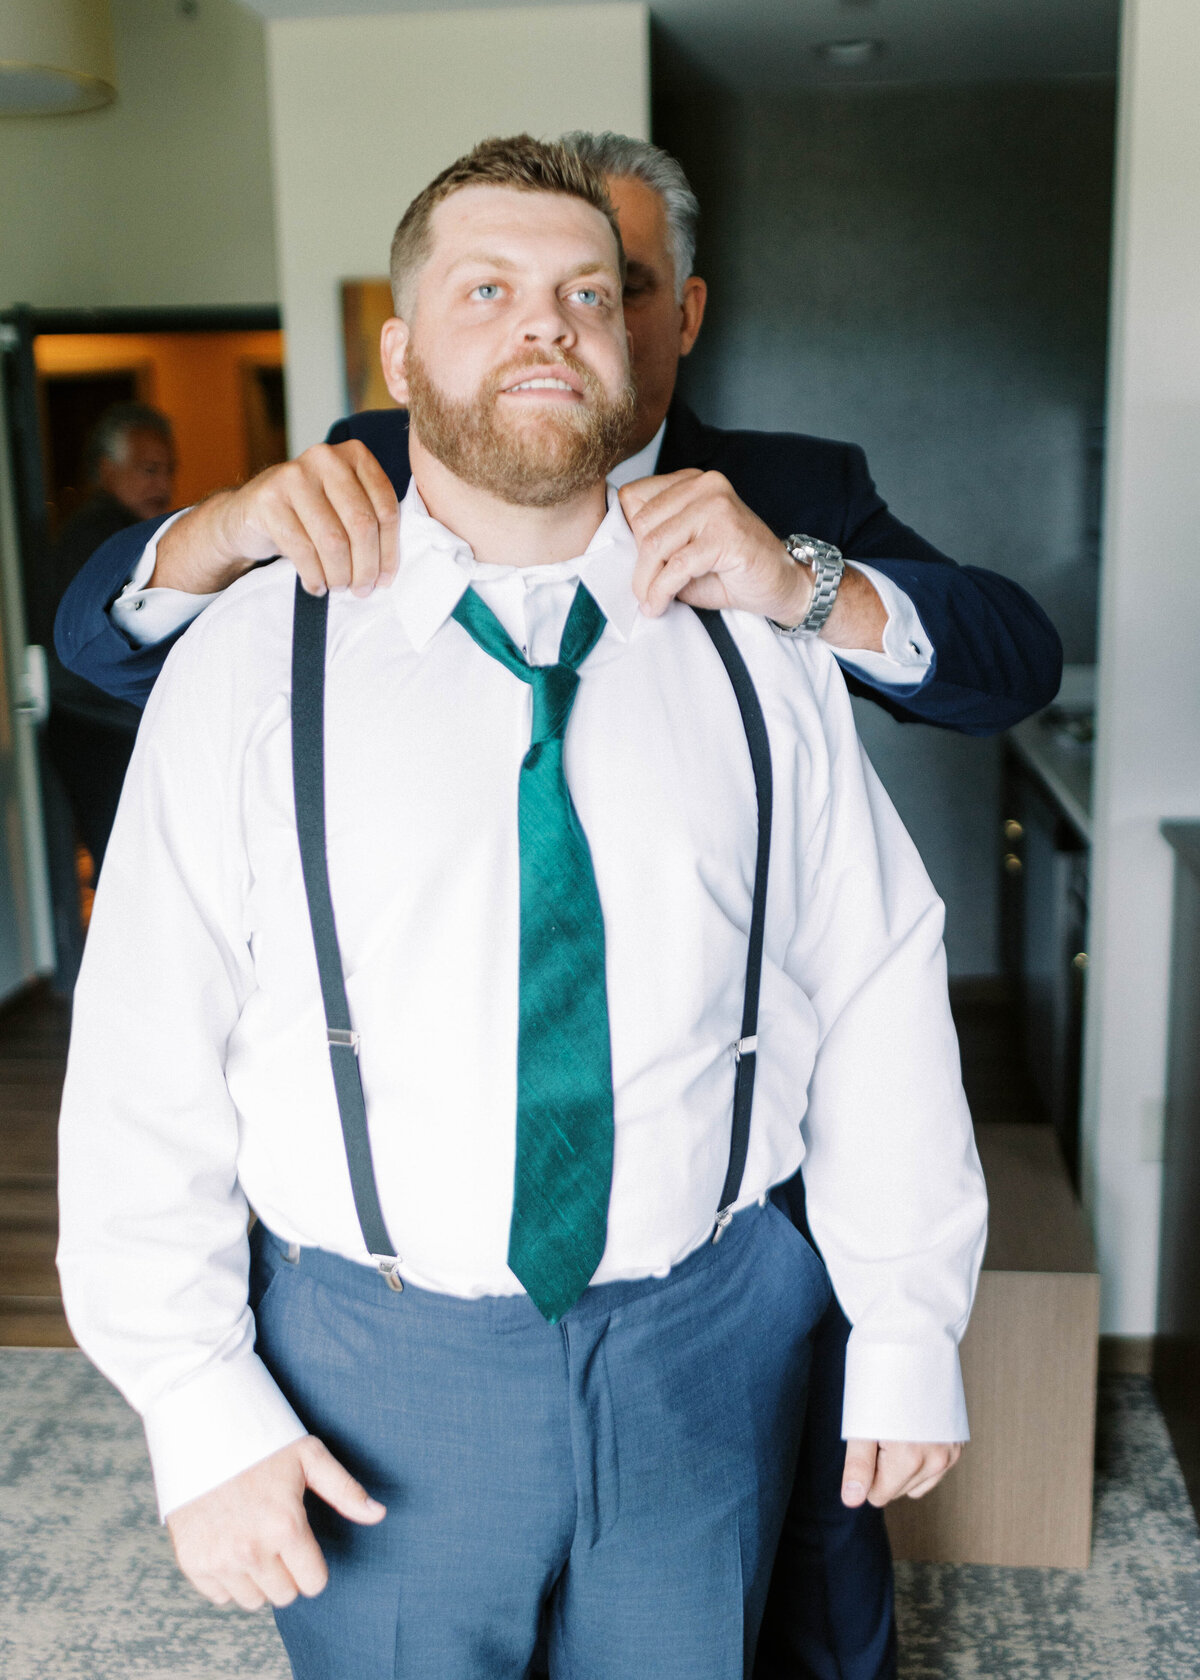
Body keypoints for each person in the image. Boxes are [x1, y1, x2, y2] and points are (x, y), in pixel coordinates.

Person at [51, 134, 1057, 1680]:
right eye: (490, 288)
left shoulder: (764, 626)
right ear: (397, 350)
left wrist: (908, 1319)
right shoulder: (266, 638)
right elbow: (144, 1046)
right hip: (376, 1355)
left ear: (653, 332)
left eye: (591, 292)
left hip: (707, 1335)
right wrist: (192, 1394)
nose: (547, 325)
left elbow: (875, 986)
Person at [44, 403, 175, 874]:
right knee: (131, 868)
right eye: (148, 469)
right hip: (98, 732)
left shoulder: (120, 531)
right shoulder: (101, 539)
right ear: (106, 470)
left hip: (101, 728)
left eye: (167, 470)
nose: (162, 484)